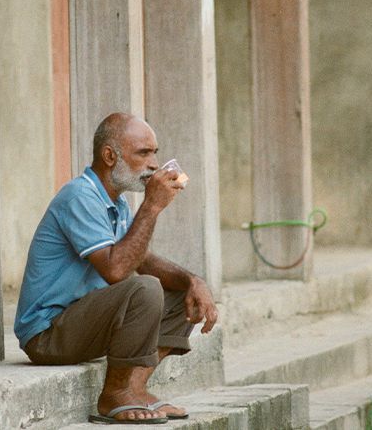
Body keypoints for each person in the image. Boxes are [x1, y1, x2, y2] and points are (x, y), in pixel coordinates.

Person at [14, 112, 219, 425]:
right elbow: (117, 271)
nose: (154, 164)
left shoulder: (117, 203)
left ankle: (135, 388)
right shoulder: (79, 197)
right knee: (146, 288)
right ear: (110, 156)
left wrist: (194, 281)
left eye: (155, 153)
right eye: (143, 153)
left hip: (84, 324)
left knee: (179, 291)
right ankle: (114, 395)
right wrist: (151, 206)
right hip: (47, 334)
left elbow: (142, 259)